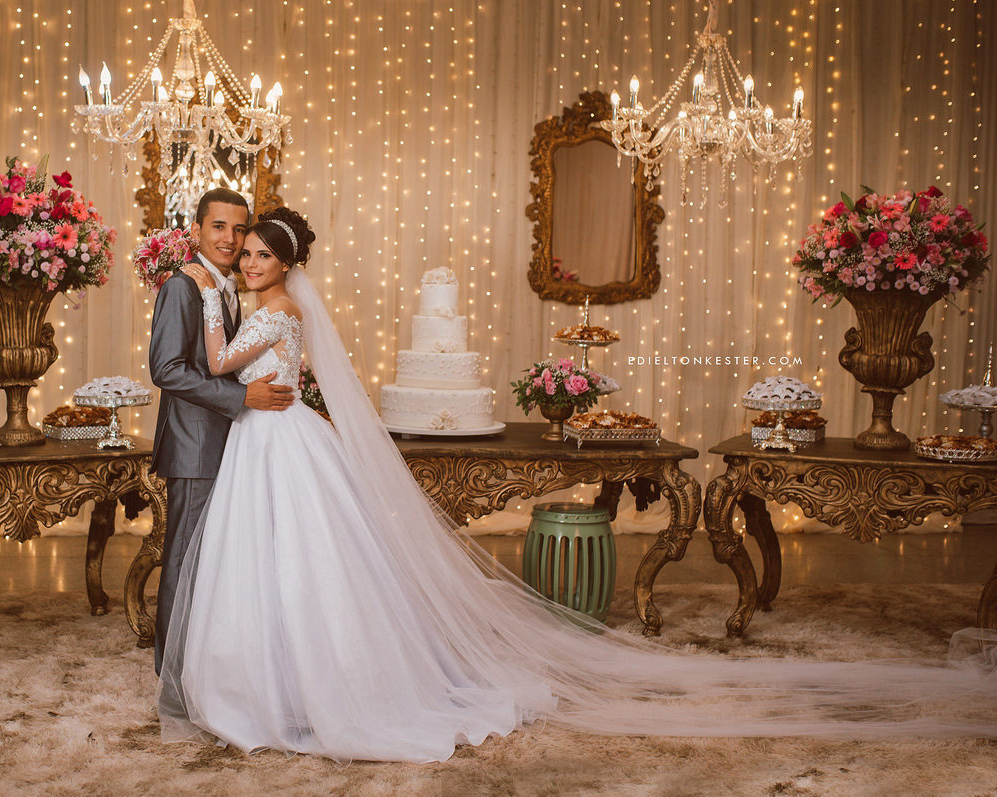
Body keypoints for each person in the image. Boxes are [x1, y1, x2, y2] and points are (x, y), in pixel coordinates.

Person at [158, 207, 996, 763]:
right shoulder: (271, 303)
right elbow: (216, 369)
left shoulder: (259, 306)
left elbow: (214, 359)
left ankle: (287, 682)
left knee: (294, 555)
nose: (252, 257)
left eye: (264, 251)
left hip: (273, 433)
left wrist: (214, 307)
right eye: (248, 248)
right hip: (268, 433)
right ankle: (273, 673)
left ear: (284, 262)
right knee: (280, 555)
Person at [147, 188, 294, 676]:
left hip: (231, 445)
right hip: (194, 447)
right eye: (218, 227)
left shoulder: (228, 288)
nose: (230, 239)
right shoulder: (182, 287)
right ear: (196, 230)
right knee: (185, 560)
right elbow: (167, 369)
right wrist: (241, 398)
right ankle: (172, 677)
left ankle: (207, 670)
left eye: (238, 229)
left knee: (214, 563)